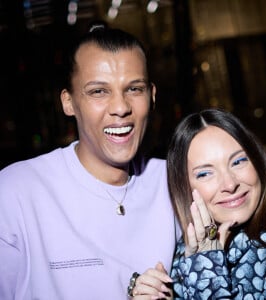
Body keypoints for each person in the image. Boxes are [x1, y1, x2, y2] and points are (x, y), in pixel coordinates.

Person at [0, 22, 180, 300]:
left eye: (134, 89)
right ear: (68, 102)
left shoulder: (176, 183)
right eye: (98, 91)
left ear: (152, 96)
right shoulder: (15, 193)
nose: (120, 108)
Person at [130, 108, 266, 299]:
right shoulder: (183, 252)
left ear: (257, 161)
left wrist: (207, 268)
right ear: (184, 187)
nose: (230, 184)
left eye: (238, 161)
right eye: (205, 173)